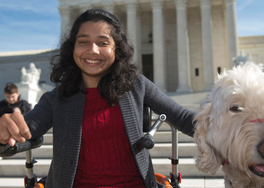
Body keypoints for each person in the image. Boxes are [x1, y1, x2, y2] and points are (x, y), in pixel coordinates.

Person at [0, 9, 195, 188]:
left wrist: (222, 124)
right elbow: (21, 133)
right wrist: (4, 134)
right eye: (83, 41)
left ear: (116, 49)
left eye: (103, 43)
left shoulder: (136, 85)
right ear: (72, 48)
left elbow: (184, 119)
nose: (93, 50)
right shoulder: (56, 99)